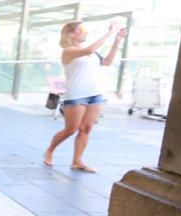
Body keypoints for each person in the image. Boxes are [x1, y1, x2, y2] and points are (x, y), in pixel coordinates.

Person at [43, 20, 126, 172]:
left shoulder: (93, 52)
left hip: (94, 94)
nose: (85, 32)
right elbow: (88, 50)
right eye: (81, 30)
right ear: (70, 34)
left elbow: (107, 62)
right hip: (76, 95)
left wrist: (116, 41)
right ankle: (49, 150)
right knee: (71, 129)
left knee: (86, 128)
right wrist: (110, 32)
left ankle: (77, 161)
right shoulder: (68, 51)